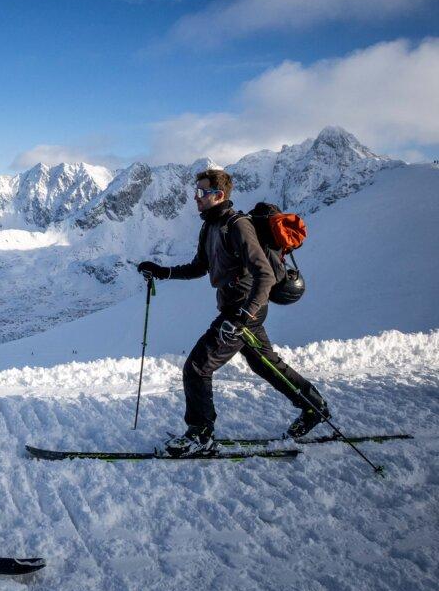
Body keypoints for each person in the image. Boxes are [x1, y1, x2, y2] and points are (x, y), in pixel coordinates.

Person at [137, 169, 329, 457]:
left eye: (202, 193)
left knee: (197, 367)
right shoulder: (210, 227)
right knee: (265, 363)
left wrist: (242, 318)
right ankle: (314, 408)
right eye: (196, 192)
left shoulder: (237, 226)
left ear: (219, 195)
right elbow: (199, 268)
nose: (196, 197)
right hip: (235, 309)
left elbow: (264, 275)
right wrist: (162, 272)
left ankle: (201, 435)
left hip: (243, 310)